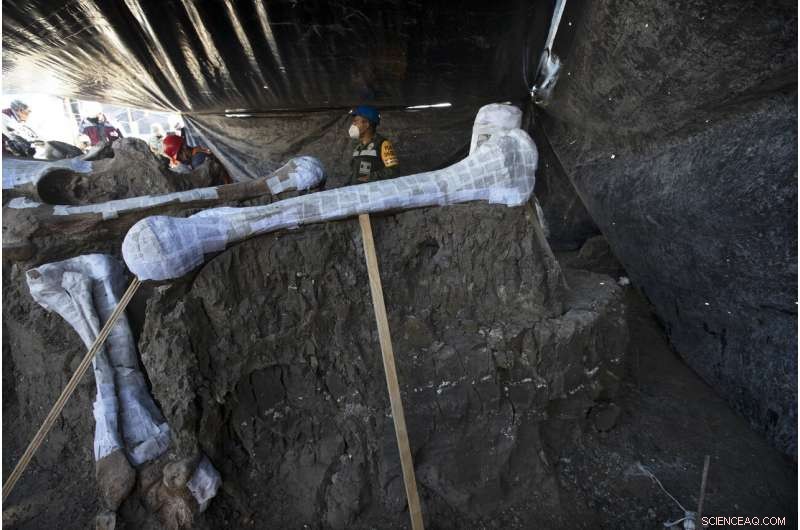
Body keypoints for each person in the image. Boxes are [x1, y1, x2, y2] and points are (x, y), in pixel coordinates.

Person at [348, 105, 398, 184]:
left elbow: (393, 170)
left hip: (374, 193)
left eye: (356, 121)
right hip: (359, 192)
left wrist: (369, 178)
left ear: (367, 124)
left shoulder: (383, 143)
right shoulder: (358, 147)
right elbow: (356, 174)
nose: (353, 124)